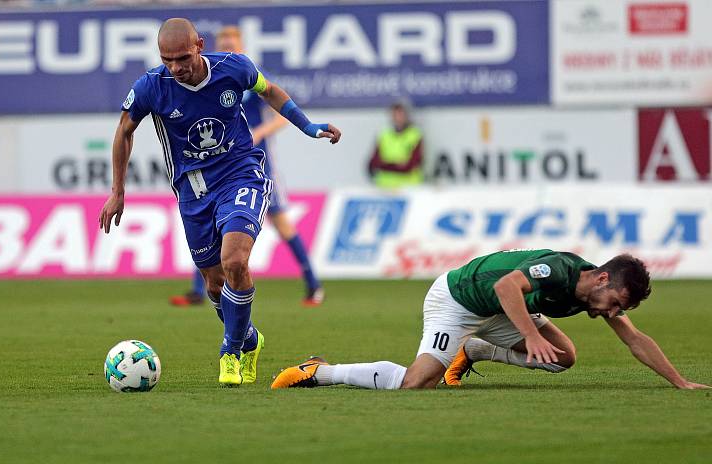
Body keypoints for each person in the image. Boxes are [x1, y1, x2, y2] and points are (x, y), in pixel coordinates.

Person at [98, 18, 341, 387]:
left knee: (235, 261)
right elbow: (124, 132)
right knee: (214, 284)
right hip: (193, 189)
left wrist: (308, 127)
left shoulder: (234, 68)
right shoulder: (151, 86)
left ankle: (230, 352)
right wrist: (118, 191)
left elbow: (271, 91)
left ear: (198, 44)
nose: (176, 67)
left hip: (241, 174)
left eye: (181, 57)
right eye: (167, 60)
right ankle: (250, 340)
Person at [271, 249, 709, 390]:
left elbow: (635, 340)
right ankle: (320, 371)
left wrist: (679, 382)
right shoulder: (560, 269)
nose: (613, 313)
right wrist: (526, 335)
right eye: (616, 302)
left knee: (562, 357)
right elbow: (506, 288)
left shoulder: (595, 297)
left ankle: (476, 350)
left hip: (501, 311)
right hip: (458, 299)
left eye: (620, 310)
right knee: (415, 385)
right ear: (602, 278)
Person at [170, 25, 325, 308]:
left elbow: (280, 110)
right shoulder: (208, 76)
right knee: (211, 221)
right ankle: (199, 289)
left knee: (280, 221)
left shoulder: (247, 71)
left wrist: (261, 132)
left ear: (241, 45)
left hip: (258, 160)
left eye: (232, 42)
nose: (228, 46)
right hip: (222, 162)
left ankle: (313, 284)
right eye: (224, 42)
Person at [367, 100, 424, 189]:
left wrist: (385, 165)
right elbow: (373, 164)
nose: (398, 118)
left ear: (406, 116)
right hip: (384, 188)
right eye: (395, 114)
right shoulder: (383, 135)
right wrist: (397, 165)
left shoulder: (415, 135)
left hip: (408, 188)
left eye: (400, 114)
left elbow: (410, 166)